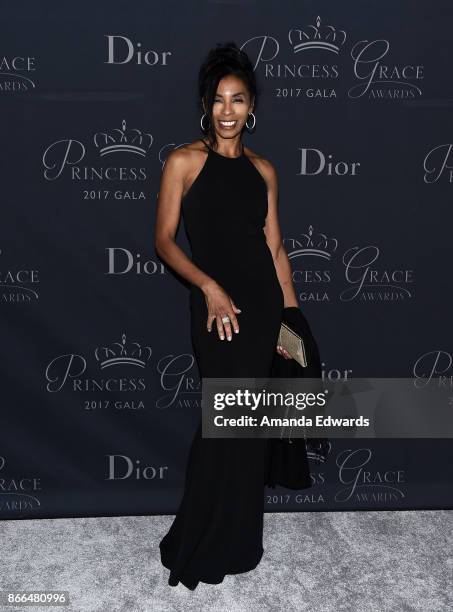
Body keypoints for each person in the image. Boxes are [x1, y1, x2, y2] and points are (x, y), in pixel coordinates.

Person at [154, 41, 301, 590]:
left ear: (252, 106)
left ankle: (240, 539)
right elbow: (164, 242)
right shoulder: (184, 161)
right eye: (219, 100)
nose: (228, 110)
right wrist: (210, 287)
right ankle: (195, 539)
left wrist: (292, 319)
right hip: (217, 311)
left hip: (262, 308)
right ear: (206, 105)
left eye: (238, 100)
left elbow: (277, 249)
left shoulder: (265, 170)